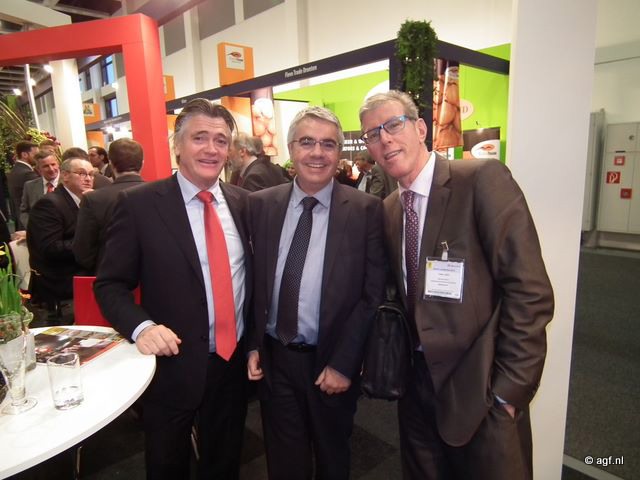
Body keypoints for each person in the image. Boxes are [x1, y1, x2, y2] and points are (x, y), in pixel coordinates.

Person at [359, 90, 554, 480]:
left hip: (480, 388)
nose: (385, 139)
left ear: (420, 129)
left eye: (393, 125)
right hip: (416, 390)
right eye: (373, 134)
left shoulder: (481, 180)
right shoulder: (390, 209)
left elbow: (529, 291)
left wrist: (508, 393)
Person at [94, 99, 251, 480]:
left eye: (220, 140)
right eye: (199, 138)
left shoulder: (244, 203)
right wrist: (142, 328)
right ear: (176, 145)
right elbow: (110, 284)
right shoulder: (139, 205)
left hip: (232, 364)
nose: (211, 149)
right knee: (167, 465)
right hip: (171, 365)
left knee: (225, 462)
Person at [247, 106, 385, 480]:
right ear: (291, 148)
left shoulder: (366, 211)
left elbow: (372, 295)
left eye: (328, 144)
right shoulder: (260, 205)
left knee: (332, 458)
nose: (317, 153)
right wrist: (253, 344)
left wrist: (344, 363)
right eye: (307, 142)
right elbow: (251, 283)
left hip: (330, 362)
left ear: (338, 153)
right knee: (283, 461)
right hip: (276, 359)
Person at [26, 157, 94, 312]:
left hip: (80, 272)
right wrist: (90, 242)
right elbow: (50, 248)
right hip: (60, 282)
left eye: (91, 174)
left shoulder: (86, 201)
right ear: (65, 175)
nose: (88, 179)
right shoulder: (49, 204)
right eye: (82, 173)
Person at [73, 138, 145, 274]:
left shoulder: (93, 199)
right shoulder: (162, 195)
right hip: (154, 278)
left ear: (111, 163)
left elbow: (82, 251)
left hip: (109, 277)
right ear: (142, 163)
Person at [20, 150, 60, 228]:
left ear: (58, 164)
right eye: (46, 166)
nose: (51, 169)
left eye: (53, 164)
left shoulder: (69, 183)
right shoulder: (29, 186)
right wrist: (32, 227)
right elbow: (24, 211)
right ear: (38, 169)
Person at [7, 141, 39, 230]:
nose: (38, 158)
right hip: (30, 220)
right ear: (24, 154)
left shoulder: (16, 170)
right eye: (35, 155)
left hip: (20, 218)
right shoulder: (27, 173)